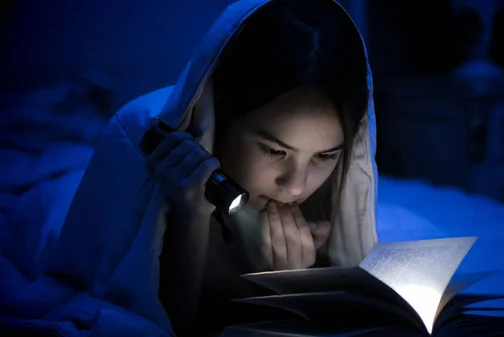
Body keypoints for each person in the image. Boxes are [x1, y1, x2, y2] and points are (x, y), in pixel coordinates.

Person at [35, 0, 379, 336]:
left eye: (325, 156)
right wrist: (192, 216)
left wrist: (292, 279)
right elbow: (163, 322)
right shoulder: (147, 134)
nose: (296, 187)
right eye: (275, 150)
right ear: (222, 116)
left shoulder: (331, 199)